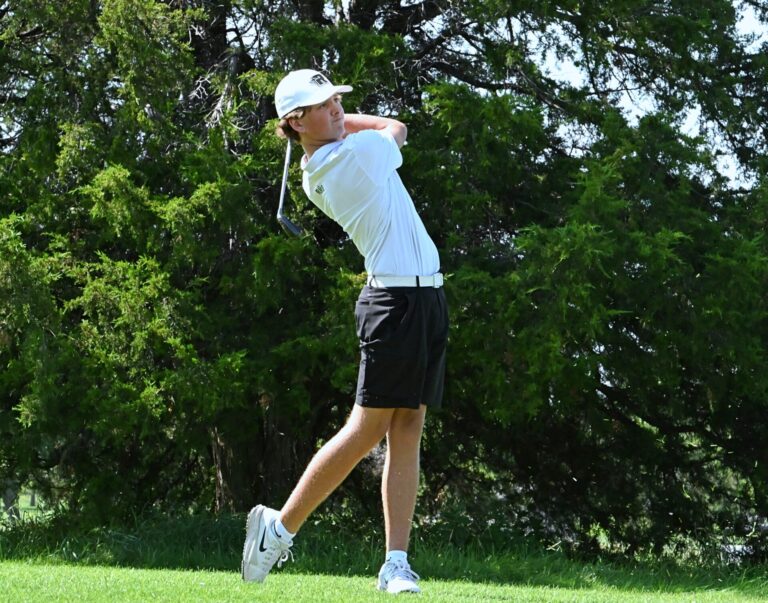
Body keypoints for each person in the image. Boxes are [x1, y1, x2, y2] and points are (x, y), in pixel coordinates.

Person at [241, 69, 449, 595]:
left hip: (426, 296)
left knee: (408, 427)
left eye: (336, 100)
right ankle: (279, 527)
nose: (336, 109)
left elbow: (370, 127)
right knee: (367, 429)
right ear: (294, 120)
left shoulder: (335, 150)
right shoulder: (345, 163)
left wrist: (325, 118)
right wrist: (337, 125)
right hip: (394, 303)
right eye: (323, 104)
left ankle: (395, 564)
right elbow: (395, 126)